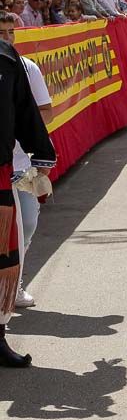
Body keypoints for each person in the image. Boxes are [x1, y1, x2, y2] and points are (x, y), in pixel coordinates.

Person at [0, 28, 56, 366]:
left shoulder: (6, 56)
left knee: (4, 256)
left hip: (0, 172)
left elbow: (24, 111)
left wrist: (40, 154)